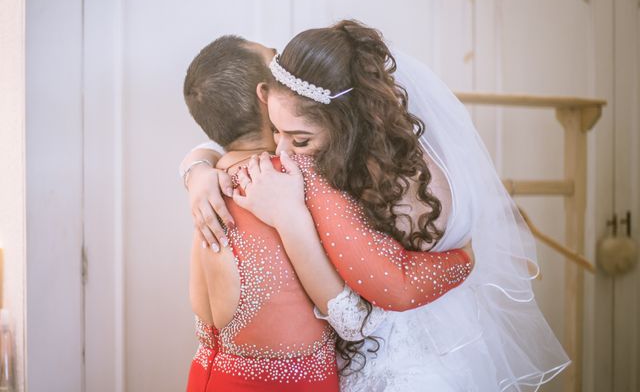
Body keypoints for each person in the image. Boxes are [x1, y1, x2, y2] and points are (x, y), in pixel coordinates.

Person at [183, 20, 570, 391]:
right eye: (274, 60)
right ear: (263, 97)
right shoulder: (296, 168)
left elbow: (390, 289)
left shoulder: (278, 176)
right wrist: (196, 168)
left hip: (385, 362)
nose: (286, 149)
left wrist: (199, 166)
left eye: (298, 139)